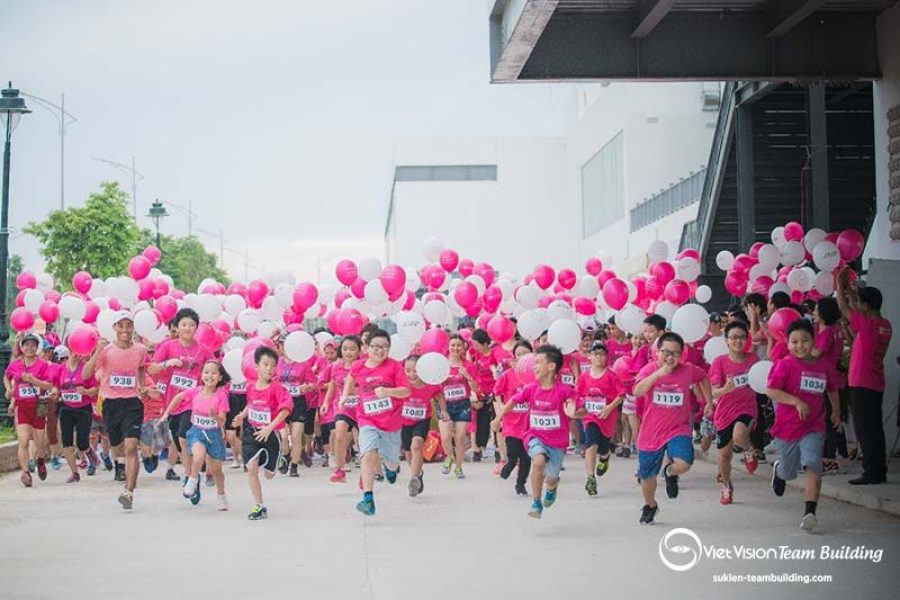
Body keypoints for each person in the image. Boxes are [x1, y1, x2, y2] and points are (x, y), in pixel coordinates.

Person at [767, 319, 841, 533]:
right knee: (789, 472)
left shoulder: (823, 365)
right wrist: (796, 401)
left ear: (814, 340)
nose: (800, 346)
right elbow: (772, 390)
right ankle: (779, 471)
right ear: (788, 343)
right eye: (795, 342)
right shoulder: (785, 364)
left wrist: (836, 411)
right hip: (788, 428)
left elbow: (832, 388)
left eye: (805, 340)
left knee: (812, 462)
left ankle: (810, 512)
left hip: (814, 424)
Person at [632, 332, 712, 525]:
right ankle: (650, 506)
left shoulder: (688, 370)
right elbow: (637, 391)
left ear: (681, 355)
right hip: (651, 431)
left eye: (675, 353)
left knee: (685, 462)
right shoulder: (649, 369)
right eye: (665, 352)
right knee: (647, 476)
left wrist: (708, 401)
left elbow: (703, 377)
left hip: (678, 428)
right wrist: (659, 374)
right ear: (657, 352)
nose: (670, 357)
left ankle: (670, 472)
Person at [495, 345, 577, 519]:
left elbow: (572, 403)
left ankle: (553, 487)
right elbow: (512, 402)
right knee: (538, 461)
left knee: (552, 477)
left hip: (557, 442)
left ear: (551, 366)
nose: (534, 366)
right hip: (534, 436)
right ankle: (536, 502)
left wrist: (571, 409)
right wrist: (498, 418)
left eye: (538, 362)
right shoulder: (531, 388)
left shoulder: (563, 390)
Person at [83, 312, 148, 510]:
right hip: (111, 404)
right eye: (121, 326)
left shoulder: (140, 349)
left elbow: (142, 368)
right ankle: (120, 466)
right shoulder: (106, 350)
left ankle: (129, 492)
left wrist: (143, 386)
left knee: (131, 447)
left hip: (132, 403)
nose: (125, 330)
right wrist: (97, 351)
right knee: (118, 447)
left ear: (133, 327)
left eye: (129, 325)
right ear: (115, 328)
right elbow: (86, 374)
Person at [343, 329, 410, 516]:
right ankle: (368, 499)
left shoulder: (395, 366)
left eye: (385, 347)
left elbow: (406, 391)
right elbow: (350, 377)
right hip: (367, 419)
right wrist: (344, 396)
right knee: (367, 454)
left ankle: (391, 469)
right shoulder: (358, 366)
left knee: (392, 463)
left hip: (391, 423)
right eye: (376, 347)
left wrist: (389, 392)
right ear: (367, 348)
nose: (380, 351)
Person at [836, 270, 892, 485]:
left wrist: (840, 285)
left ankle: (872, 472)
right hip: (875, 383)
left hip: (862, 383)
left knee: (865, 430)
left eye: (860, 302)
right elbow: (857, 336)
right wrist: (852, 293)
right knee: (875, 428)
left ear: (866, 306)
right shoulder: (884, 325)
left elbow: (843, 307)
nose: (857, 305)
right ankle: (879, 469)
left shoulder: (868, 326)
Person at [148, 308, 214, 482]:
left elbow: (216, 372)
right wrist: (167, 363)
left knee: (183, 434)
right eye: (184, 324)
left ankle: (192, 476)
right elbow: (151, 368)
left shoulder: (204, 350)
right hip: (172, 403)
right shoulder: (168, 346)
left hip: (194, 402)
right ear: (176, 327)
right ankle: (190, 475)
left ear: (196, 328)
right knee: (178, 440)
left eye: (192, 325)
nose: (187, 328)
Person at [231, 346, 292, 520]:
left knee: (269, 474)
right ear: (256, 366)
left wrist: (270, 427)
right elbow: (250, 404)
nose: (269, 369)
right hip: (252, 433)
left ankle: (278, 459)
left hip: (270, 435)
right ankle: (259, 506)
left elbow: (286, 410)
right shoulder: (250, 387)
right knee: (251, 468)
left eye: (273, 366)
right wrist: (242, 416)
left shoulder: (277, 388)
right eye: (265, 364)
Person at [165, 360, 231, 510]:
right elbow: (179, 397)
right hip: (197, 432)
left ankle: (221, 494)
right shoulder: (195, 391)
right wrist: (167, 412)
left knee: (217, 471)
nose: (209, 376)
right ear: (201, 375)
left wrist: (215, 416)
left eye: (214, 373)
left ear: (220, 377)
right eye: (206, 372)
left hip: (214, 435)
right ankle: (192, 481)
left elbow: (222, 421)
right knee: (198, 456)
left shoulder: (221, 396)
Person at [708, 320, 759, 505]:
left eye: (742, 337)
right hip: (724, 412)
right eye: (734, 337)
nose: (738, 341)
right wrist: (725, 390)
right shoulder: (719, 362)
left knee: (739, 435)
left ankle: (748, 450)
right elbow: (714, 391)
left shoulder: (753, 359)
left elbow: (761, 380)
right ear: (727, 340)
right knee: (724, 456)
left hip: (746, 407)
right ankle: (727, 486)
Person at [4, 332, 55, 487]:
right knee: (23, 441)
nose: (30, 348)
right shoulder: (16, 364)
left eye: (33, 345)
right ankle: (25, 473)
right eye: (27, 345)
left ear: (37, 347)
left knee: (39, 443)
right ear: (22, 347)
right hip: (22, 406)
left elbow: (49, 385)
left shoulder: (43, 365)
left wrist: (34, 381)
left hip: (39, 405)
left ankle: (40, 459)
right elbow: (7, 376)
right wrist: (9, 390)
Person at [575, 341, 624, 496]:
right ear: (589, 356)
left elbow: (621, 395)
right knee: (590, 443)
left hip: (606, 417)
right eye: (595, 354)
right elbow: (578, 395)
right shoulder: (583, 377)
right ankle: (590, 478)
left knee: (603, 448)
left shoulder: (611, 375)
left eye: (602, 354)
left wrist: (609, 408)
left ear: (606, 357)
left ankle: (605, 458)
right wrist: (578, 407)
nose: (598, 357)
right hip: (590, 417)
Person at [52, 345, 99, 483]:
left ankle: (90, 453)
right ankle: (75, 473)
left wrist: (86, 391)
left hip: (83, 408)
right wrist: (55, 392)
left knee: (81, 442)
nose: (75, 354)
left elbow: (96, 388)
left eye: (79, 352)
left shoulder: (86, 368)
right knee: (66, 441)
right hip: (66, 407)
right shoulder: (61, 368)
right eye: (72, 350)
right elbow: (55, 384)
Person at [810, 297, 847, 474]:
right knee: (836, 416)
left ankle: (829, 458)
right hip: (835, 376)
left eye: (816, 310)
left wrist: (800, 348)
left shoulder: (826, 333)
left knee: (829, 418)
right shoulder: (835, 329)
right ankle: (842, 453)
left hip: (826, 379)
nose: (813, 313)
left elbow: (817, 353)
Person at [492, 340, 534, 495]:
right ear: (514, 357)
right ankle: (509, 463)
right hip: (511, 422)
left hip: (529, 423)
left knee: (526, 457)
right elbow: (496, 392)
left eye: (526, 354)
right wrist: (501, 406)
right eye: (519, 354)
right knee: (514, 451)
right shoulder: (507, 375)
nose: (522, 357)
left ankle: (520, 484)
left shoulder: (536, 376)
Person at [401, 355, 445, 497]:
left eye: (415, 371)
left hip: (422, 420)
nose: (411, 374)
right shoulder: (401, 384)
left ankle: (413, 480)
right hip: (404, 422)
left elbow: (440, 394)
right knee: (408, 453)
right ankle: (418, 473)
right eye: (408, 371)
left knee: (417, 445)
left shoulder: (430, 384)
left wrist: (444, 410)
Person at [320, 335, 362, 483]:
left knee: (362, 440)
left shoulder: (363, 366)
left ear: (359, 350)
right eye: (345, 349)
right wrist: (326, 402)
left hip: (361, 408)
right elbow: (332, 385)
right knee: (339, 434)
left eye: (352, 349)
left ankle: (369, 471)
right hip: (343, 407)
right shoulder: (336, 366)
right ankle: (339, 470)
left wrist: (355, 391)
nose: (348, 352)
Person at [275, 335, 316, 477]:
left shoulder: (303, 363)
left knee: (297, 436)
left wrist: (307, 387)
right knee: (284, 436)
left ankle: (294, 466)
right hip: (281, 402)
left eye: (285, 344)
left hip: (298, 402)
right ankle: (286, 455)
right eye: (280, 344)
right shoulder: (277, 363)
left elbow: (313, 383)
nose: (282, 347)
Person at [441, 334, 479, 479]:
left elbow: (475, 387)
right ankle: (449, 456)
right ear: (448, 347)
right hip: (445, 404)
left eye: (459, 345)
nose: (456, 348)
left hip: (463, 404)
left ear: (463, 347)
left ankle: (458, 466)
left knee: (460, 437)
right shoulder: (442, 364)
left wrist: (468, 376)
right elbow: (435, 384)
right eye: (453, 345)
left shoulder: (469, 365)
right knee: (445, 436)